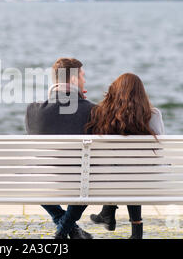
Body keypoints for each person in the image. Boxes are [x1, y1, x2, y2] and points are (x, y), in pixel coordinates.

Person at [85, 72, 165, 239]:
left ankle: (108, 212)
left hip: (109, 179)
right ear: (142, 94)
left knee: (119, 167)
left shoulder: (102, 114)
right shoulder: (154, 114)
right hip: (149, 180)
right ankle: (135, 230)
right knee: (134, 170)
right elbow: (160, 150)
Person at [25, 57, 94, 239]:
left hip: (43, 182)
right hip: (81, 183)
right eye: (82, 76)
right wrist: (81, 103)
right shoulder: (92, 111)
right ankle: (63, 232)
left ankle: (64, 226)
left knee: (31, 173)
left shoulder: (33, 111)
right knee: (88, 177)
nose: (84, 81)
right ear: (73, 80)